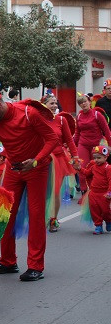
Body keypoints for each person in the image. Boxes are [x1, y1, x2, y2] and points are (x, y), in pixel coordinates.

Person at [0, 79, 59, 282]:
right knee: (5, 214)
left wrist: (36, 161)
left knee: (36, 215)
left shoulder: (30, 114)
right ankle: (8, 261)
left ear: (0, 104)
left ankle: (36, 266)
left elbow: (53, 139)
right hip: (14, 168)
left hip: (37, 168)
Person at [42, 94, 79, 232]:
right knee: (43, 191)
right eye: (51, 103)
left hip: (58, 159)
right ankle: (42, 217)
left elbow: (69, 140)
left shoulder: (61, 120)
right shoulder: (38, 119)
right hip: (42, 159)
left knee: (55, 191)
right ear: (44, 105)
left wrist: (75, 157)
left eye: (55, 103)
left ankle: (53, 219)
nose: (54, 106)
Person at [73, 94, 111, 193]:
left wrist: (109, 146)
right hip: (83, 144)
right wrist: (72, 146)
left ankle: (95, 190)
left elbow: (107, 131)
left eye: (85, 101)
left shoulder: (97, 114)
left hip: (96, 146)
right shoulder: (79, 116)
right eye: (81, 103)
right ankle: (84, 192)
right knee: (81, 167)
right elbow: (77, 133)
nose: (83, 104)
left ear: (89, 102)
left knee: (96, 168)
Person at [77, 145, 111, 235]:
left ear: (105, 157)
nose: (96, 160)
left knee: (105, 211)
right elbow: (87, 173)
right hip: (93, 193)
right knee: (94, 210)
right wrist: (79, 168)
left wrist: (109, 192)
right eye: (95, 158)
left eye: (99, 158)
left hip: (104, 194)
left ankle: (108, 221)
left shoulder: (108, 168)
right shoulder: (93, 167)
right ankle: (98, 226)